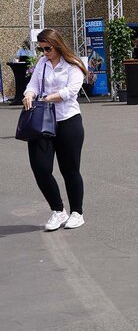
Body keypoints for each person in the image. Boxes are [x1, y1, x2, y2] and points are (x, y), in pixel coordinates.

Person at [22, 28, 88, 231]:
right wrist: (29, 94)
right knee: (40, 169)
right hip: (43, 122)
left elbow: (71, 91)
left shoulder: (73, 65)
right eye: (41, 49)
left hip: (68, 120)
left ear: (57, 45)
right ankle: (58, 211)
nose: (44, 52)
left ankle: (77, 212)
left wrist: (49, 98)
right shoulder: (42, 63)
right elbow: (32, 84)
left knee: (70, 170)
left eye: (47, 48)